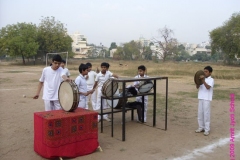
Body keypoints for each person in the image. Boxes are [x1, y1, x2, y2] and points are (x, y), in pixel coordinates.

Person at [195, 66, 214, 136]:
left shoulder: (211, 79)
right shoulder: (202, 79)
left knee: (206, 114)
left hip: (207, 98)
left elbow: (208, 87)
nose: (205, 73)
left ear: (210, 73)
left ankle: (207, 129)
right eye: (204, 71)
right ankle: (201, 127)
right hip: (201, 97)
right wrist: (197, 81)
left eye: (206, 71)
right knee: (200, 113)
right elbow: (197, 87)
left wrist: (203, 80)